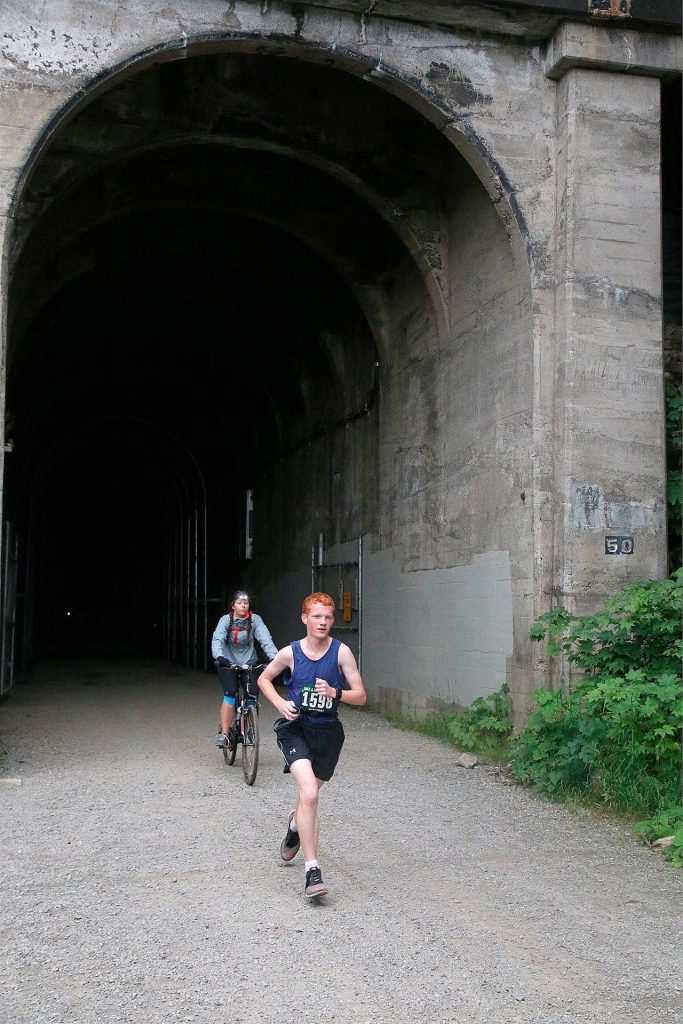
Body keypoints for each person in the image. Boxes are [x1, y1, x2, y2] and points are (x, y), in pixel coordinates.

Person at [257, 592, 366, 899]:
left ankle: (294, 827)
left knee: (307, 801)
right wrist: (279, 703)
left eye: (328, 617)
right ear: (305, 618)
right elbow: (264, 679)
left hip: (328, 734)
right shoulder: (291, 653)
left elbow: (361, 695)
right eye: (317, 616)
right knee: (310, 793)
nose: (323, 622)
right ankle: (312, 871)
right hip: (296, 730)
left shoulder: (341, 653)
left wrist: (336, 692)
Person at [211, 590, 278, 748]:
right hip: (228, 663)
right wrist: (219, 657)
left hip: (250, 662)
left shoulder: (255, 620)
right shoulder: (225, 620)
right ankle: (225, 734)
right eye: (239, 603)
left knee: (252, 695)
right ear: (233, 605)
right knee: (230, 694)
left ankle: (249, 727)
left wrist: (275, 658)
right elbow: (218, 639)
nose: (243, 606)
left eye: (246, 603)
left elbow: (265, 639)